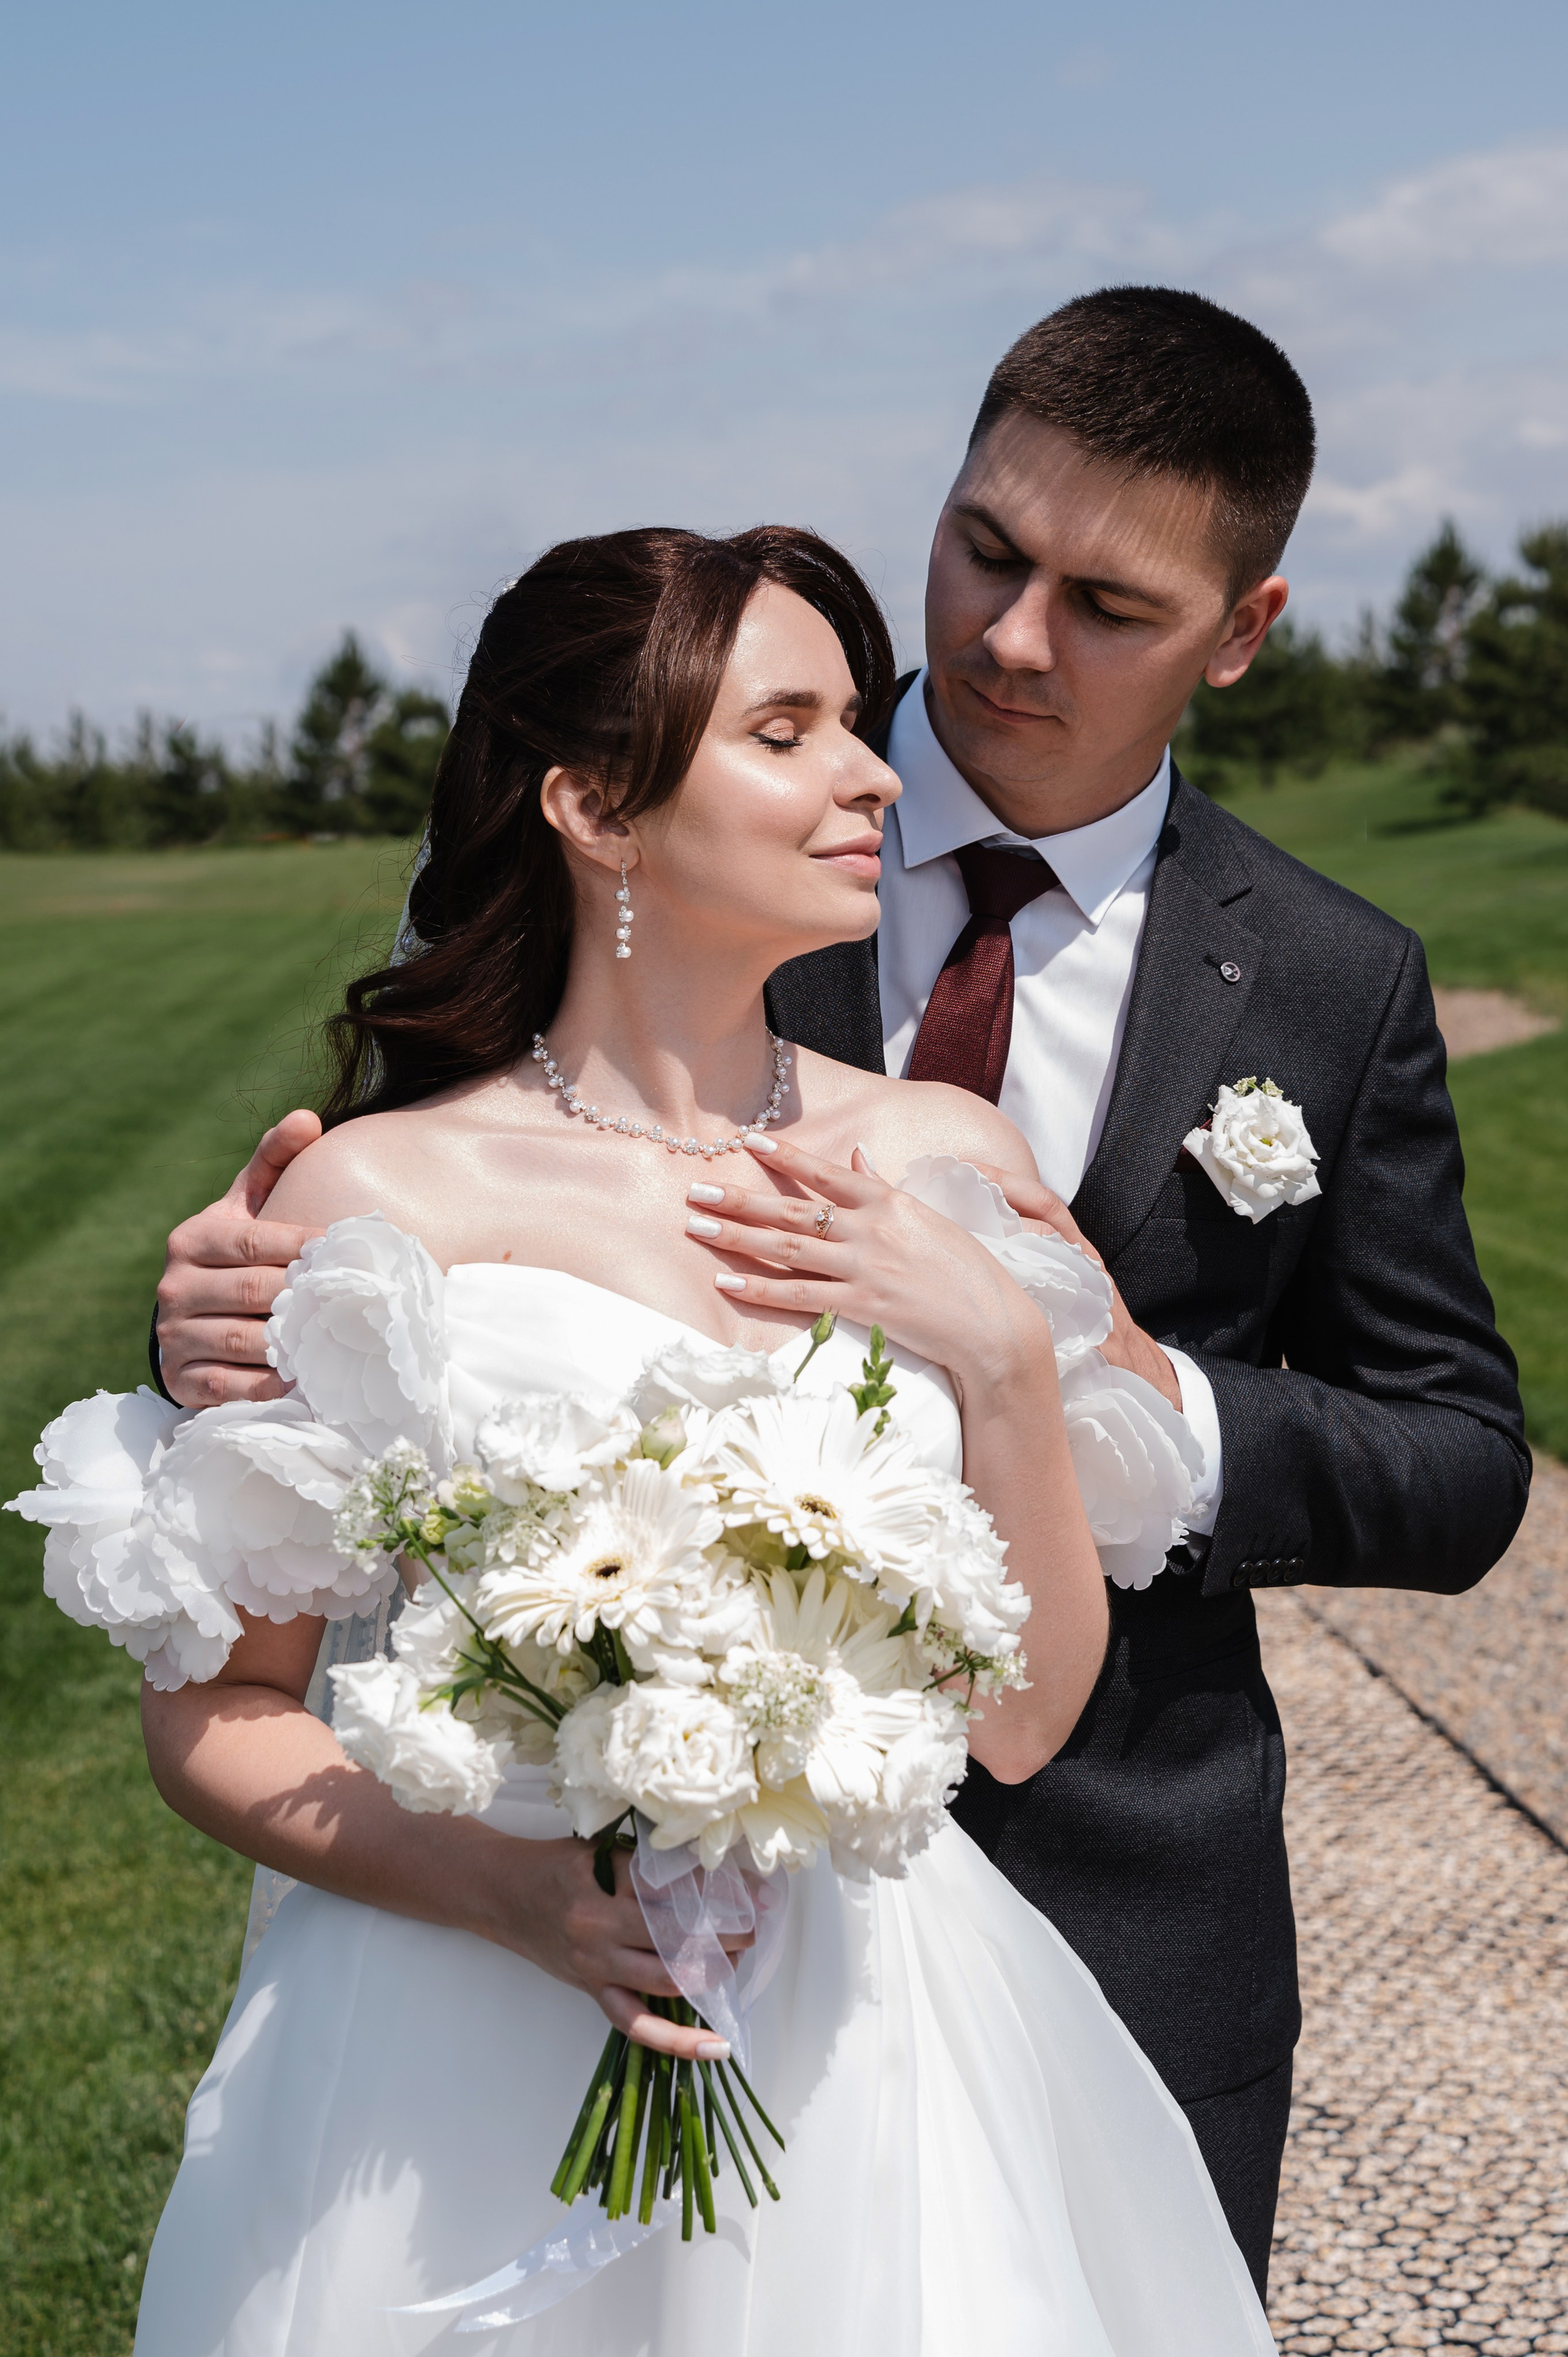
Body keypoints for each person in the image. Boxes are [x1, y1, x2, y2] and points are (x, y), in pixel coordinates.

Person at [151, 288, 1531, 2297]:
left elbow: (1459, 1458)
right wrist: (219, 1334)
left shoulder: (1325, 982)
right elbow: (377, 1319)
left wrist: (1083, 1375)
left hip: (1079, 1931)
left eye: (1107, 605)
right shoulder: (680, 779)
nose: (1008, 641)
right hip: (506, 1996)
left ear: (1240, 633)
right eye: (984, 551)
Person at [29, 524, 1278, 2353]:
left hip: (867, 2037)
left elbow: (1019, 1724)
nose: (874, 774)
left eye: (852, 722)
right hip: (453, 2032)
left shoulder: (945, 1161)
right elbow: (216, 1713)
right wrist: (509, 1893)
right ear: (597, 807)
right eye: (786, 732)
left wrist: (1003, 1353)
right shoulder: (383, 1199)